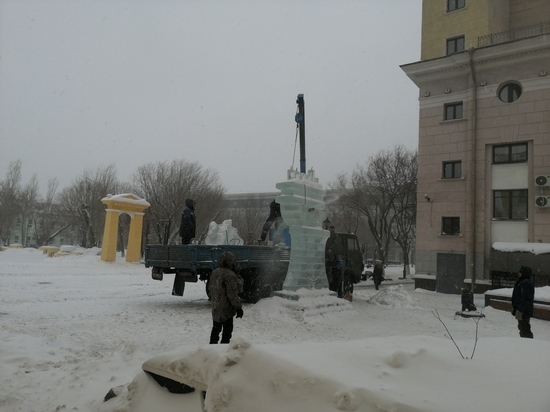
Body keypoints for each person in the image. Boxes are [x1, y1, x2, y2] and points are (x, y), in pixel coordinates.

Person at [208, 252, 244, 344]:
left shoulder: (215, 272)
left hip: (216, 306)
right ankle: (223, 350)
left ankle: (212, 349)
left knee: (215, 330)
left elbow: (210, 289)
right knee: (227, 333)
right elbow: (233, 294)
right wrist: (238, 308)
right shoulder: (230, 275)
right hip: (226, 308)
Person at [511, 265, 535, 338]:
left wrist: (520, 310)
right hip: (523, 310)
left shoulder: (526, 283)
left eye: (520, 272)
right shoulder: (522, 282)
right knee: (522, 327)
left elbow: (526, 299)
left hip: (524, 311)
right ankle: (525, 342)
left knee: (524, 328)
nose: (518, 273)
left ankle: (528, 344)